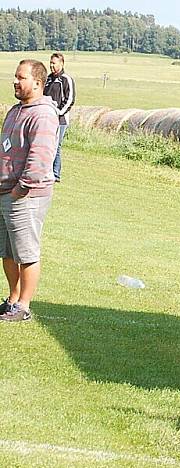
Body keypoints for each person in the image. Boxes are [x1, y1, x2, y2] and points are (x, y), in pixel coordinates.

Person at [0, 60, 59, 322]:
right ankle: (12, 300)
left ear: (37, 82)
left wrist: (19, 190)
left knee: (26, 252)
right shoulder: (15, 110)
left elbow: (39, 160)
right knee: (8, 251)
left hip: (25, 196)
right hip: (5, 191)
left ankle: (23, 307)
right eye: (15, 76)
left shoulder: (43, 114)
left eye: (20, 77)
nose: (15, 81)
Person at [43, 52, 75, 182]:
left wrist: (58, 113)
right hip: (46, 118)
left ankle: (55, 174)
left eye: (54, 63)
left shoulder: (66, 79)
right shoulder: (48, 79)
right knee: (46, 145)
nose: (51, 65)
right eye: (50, 62)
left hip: (60, 120)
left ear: (61, 64)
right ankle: (46, 171)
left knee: (55, 146)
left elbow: (70, 100)